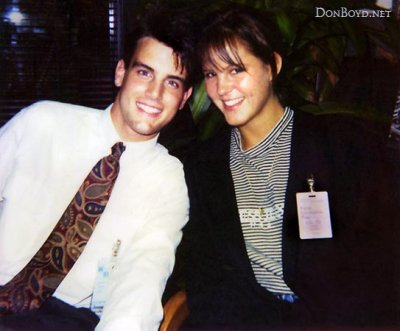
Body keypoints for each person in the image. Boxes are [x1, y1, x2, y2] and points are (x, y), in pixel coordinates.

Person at [183, 4, 399, 330]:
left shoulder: (339, 147)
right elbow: (208, 277)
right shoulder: (206, 167)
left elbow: (377, 262)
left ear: (273, 66)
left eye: (236, 70)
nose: (222, 89)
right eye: (212, 74)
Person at [0, 4, 199, 331]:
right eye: (144, 72)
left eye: (172, 83)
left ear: (185, 97)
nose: (154, 93)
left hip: (67, 318)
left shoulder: (167, 181)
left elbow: (143, 277)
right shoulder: (42, 123)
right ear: (121, 72)